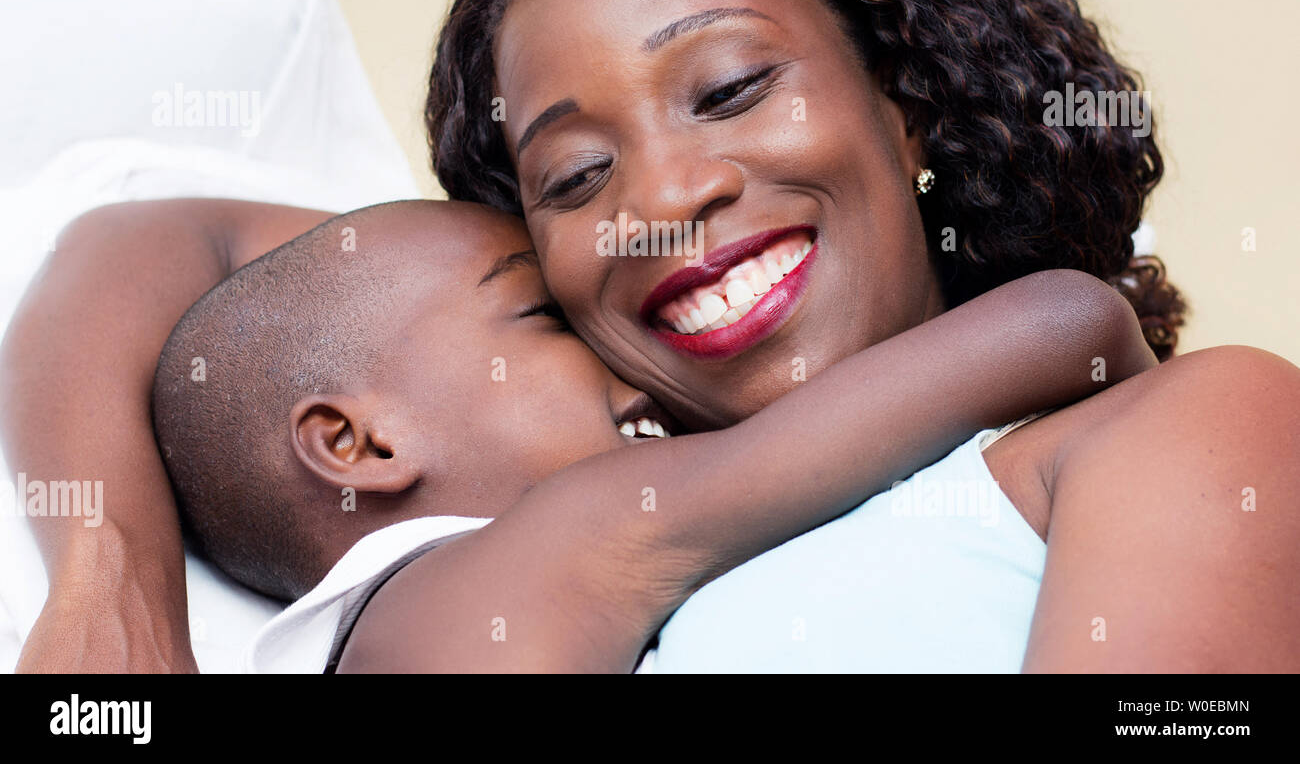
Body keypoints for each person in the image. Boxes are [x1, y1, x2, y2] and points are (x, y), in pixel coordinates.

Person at [425, 0, 1300, 670]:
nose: (663, 199)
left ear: (909, 106)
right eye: (578, 176)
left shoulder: (1195, 424)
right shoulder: (547, 552)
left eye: (730, 89)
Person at [146, 198, 1145, 671]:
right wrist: (1151, 419)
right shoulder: (553, 539)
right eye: (546, 320)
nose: (636, 369)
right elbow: (1065, 318)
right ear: (357, 446)